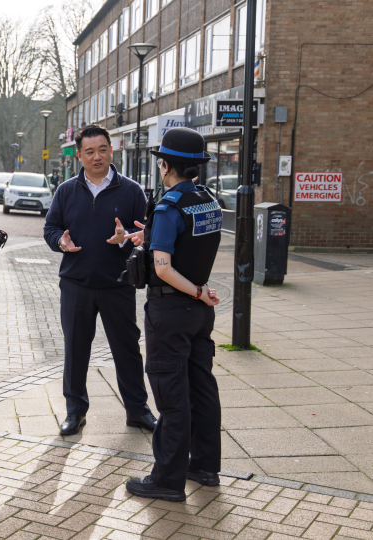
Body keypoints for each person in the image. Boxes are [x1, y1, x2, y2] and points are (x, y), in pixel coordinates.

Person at [125, 127, 223, 502]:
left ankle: (167, 478)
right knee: (202, 389)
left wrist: (196, 290)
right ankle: (204, 465)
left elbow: (163, 268)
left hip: (171, 311)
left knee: (171, 395)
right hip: (199, 314)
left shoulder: (168, 206)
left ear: (165, 165)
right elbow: (188, 245)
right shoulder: (208, 201)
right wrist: (149, 237)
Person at [43, 124, 156, 437]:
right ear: (79, 155)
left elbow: (145, 232)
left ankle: (137, 409)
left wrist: (126, 239)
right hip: (75, 284)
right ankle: (75, 411)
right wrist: (60, 242)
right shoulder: (66, 190)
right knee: (76, 350)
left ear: (112, 150)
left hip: (118, 284)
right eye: (89, 151)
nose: (97, 156)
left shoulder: (132, 190)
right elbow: (51, 228)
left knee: (127, 349)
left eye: (102, 149)